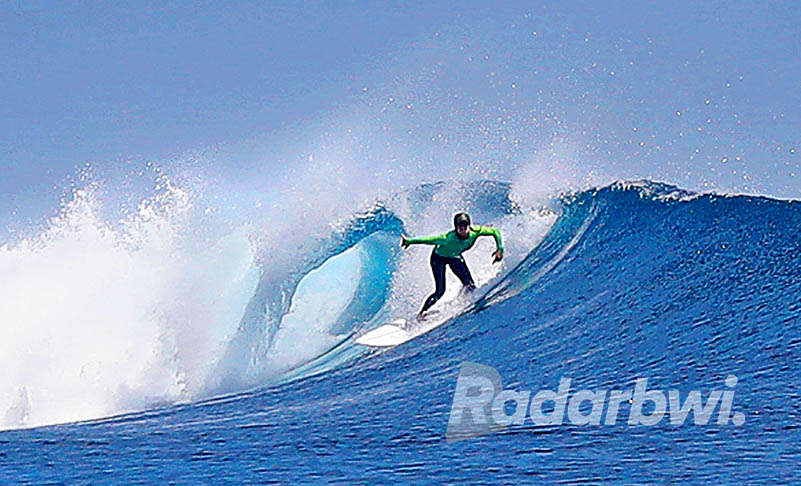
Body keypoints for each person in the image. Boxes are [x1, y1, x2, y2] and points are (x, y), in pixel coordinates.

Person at [401, 212, 503, 320]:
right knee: (440, 291)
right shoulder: (447, 238)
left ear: (469, 225)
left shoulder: (476, 231)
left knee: (469, 285)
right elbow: (428, 240)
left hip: (454, 257)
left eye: (465, 226)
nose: (463, 229)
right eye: (460, 226)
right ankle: (421, 313)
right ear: (456, 228)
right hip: (438, 258)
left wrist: (499, 249)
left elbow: (495, 232)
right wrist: (409, 241)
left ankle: (463, 301)